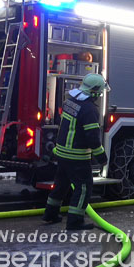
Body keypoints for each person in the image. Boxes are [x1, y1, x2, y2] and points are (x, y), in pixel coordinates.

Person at [43, 73, 110, 230]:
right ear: (94, 92)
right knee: (83, 188)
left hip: (62, 154)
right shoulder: (89, 110)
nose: (100, 95)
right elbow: (93, 138)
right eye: (99, 92)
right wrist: (102, 158)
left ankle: (50, 214)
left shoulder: (70, 102)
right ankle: (75, 222)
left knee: (60, 185)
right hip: (77, 157)